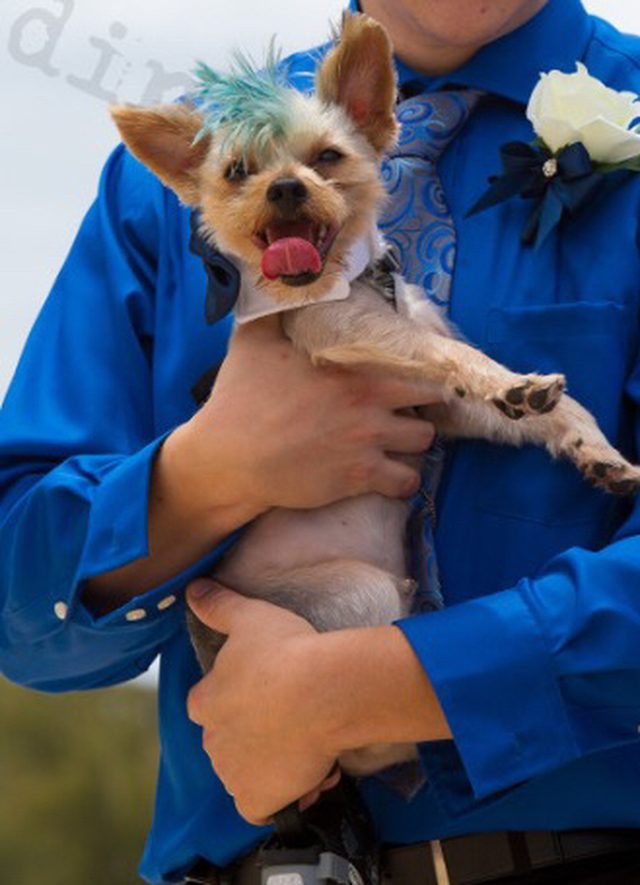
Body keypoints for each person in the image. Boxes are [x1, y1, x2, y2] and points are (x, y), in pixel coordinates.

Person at [2, 0, 640, 882]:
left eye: (329, 159)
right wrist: (203, 477)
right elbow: (21, 617)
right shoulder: (174, 175)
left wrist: (372, 684)